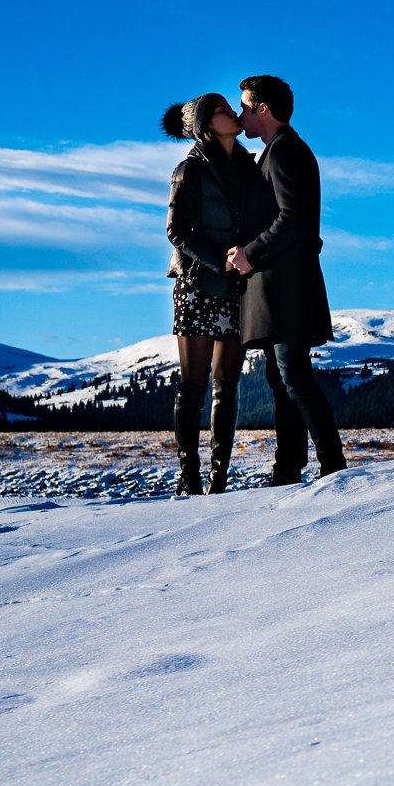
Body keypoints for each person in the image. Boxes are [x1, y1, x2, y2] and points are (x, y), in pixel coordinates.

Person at [228, 73, 346, 483]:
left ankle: (332, 465)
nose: (240, 113)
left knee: (292, 376)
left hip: (288, 289)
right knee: (282, 379)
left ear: (264, 109)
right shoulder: (278, 151)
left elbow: (293, 219)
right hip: (282, 288)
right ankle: (288, 467)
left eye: (245, 106)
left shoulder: (285, 152)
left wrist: (249, 253)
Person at [161, 93, 271, 494]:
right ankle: (189, 477)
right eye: (223, 110)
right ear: (207, 125)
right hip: (196, 286)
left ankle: (218, 478)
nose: (232, 113)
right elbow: (177, 231)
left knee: (228, 385)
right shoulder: (188, 169)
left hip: (235, 290)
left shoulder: (247, 167)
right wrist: (218, 261)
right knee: (193, 387)